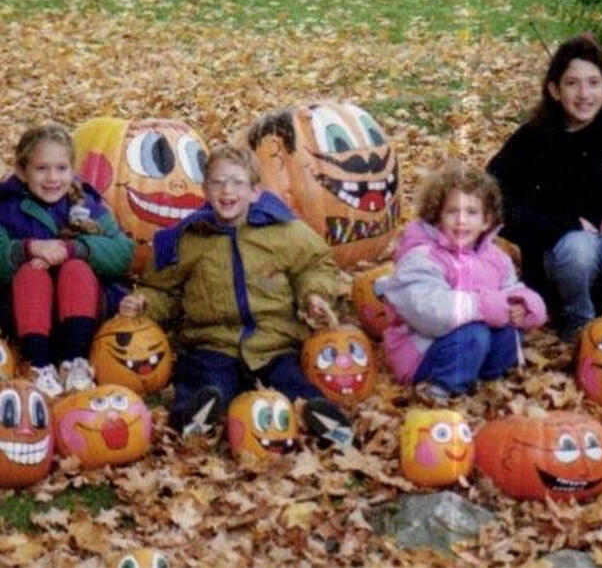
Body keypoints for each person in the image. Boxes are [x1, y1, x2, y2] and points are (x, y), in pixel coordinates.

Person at [119, 143, 353, 447]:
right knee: (207, 377)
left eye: (237, 182)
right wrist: (145, 303)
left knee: (289, 380)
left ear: (255, 192)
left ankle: (320, 416)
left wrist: (314, 295)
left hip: (274, 341)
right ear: (205, 189)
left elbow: (316, 265)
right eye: (217, 182)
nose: (227, 190)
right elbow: (162, 288)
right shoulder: (190, 238)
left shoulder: (283, 231)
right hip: (213, 340)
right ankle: (194, 414)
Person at [487, 35, 602, 342]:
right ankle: (577, 325)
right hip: (562, 265)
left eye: (593, 83)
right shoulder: (534, 139)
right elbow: (494, 198)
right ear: (554, 90)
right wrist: (560, 225)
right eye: (572, 83)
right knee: (578, 247)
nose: (584, 93)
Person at [375, 164, 546, 399]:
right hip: (422, 353)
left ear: (486, 221)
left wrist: (523, 305)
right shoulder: (422, 255)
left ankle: (486, 382)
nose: (461, 220)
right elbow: (429, 312)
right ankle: (442, 389)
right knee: (474, 333)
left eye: (472, 213)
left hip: (468, 350)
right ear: (437, 217)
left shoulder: (496, 258)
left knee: (507, 332)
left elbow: (512, 288)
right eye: (452, 211)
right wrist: (485, 307)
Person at [0, 124, 135, 397]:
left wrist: (74, 249)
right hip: (25, 314)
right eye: (41, 169)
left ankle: (76, 361)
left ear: (73, 170)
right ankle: (38, 366)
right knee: (31, 273)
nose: (52, 178)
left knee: (75, 267)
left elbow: (123, 253)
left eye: (61, 168)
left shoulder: (87, 204)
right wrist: (28, 248)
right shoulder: (6, 207)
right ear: (22, 171)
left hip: (82, 310)